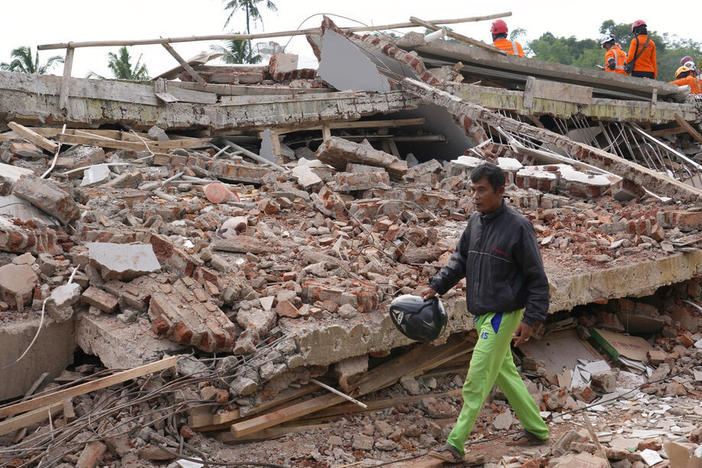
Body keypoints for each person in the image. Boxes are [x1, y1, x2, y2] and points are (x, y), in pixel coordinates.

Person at [425, 162, 549, 463]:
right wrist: (437, 286)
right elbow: (459, 260)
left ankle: (455, 444)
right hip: (481, 315)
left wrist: (531, 319)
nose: (476, 196)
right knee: (505, 373)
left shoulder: (518, 227)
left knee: (477, 378)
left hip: (502, 315)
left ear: (500, 191)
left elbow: (537, 278)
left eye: (482, 190)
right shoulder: (475, 223)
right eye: (473, 189)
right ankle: (537, 430)